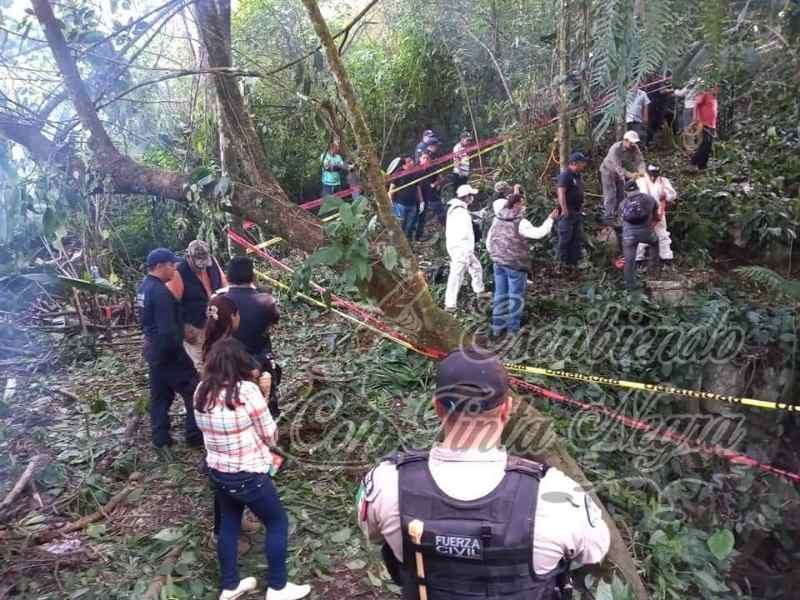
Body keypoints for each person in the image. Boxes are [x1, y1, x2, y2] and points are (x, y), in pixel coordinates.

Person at [357, 347, 610, 600]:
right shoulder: (560, 497)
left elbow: (373, 535)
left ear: (437, 407)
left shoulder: (384, 483)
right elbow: (594, 551)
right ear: (506, 410)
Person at [194, 338, 311, 600]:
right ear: (239, 363)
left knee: (228, 526)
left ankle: (230, 585)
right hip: (248, 474)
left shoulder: (201, 390)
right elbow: (270, 435)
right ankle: (278, 587)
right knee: (277, 522)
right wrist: (265, 397)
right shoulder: (245, 391)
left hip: (218, 471)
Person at [137, 248, 202, 457]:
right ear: (159, 266)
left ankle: (160, 437)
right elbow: (167, 330)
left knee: (160, 395)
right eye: (171, 264)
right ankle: (194, 435)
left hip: (153, 350)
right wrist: (177, 356)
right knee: (193, 389)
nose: (175, 268)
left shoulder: (144, 288)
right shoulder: (161, 293)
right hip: (168, 352)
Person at [487, 187, 556, 336]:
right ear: (516, 204)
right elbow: (539, 233)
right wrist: (550, 219)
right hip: (514, 264)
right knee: (515, 297)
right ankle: (513, 330)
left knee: (500, 294)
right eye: (522, 203)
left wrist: (495, 255)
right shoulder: (520, 222)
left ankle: (497, 328)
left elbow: (489, 240)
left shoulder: (497, 217)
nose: (524, 206)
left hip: (498, 262)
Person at [220, 257, 282, 417]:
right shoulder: (265, 300)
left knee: (233, 401)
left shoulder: (218, 301)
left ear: (228, 276)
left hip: (229, 359)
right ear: (252, 275)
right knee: (266, 398)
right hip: (260, 356)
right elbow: (274, 320)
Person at [167, 240, 227, 373]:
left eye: (205, 264)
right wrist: (183, 328)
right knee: (201, 367)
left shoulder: (213, 263)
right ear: (188, 257)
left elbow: (225, 286)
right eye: (199, 265)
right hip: (195, 327)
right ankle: (204, 392)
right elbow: (171, 305)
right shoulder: (178, 273)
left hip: (215, 323)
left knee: (220, 362)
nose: (203, 268)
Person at [444, 184, 490, 312]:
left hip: (461, 247)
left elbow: (467, 216)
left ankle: (479, 291)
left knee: (476, 267)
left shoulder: (458, 208)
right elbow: (464, 231)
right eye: (471, 196)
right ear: (467, 197)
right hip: (461, 247)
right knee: (456, 274)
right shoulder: (459, 211)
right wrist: (467, 248)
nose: (473, 198)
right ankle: (450, 304)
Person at [600, 130, 646, 224]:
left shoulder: (634, 148)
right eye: (631, 142)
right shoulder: (615, 148)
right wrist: (630, 175)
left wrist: (641, 170)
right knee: (610, 195)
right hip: (608, 172)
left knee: (621, 195)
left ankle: (620, 216)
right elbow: (618, 167)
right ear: (625, 140)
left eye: (634, 143)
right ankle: (608, 218)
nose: (632, 145)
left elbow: (640, 161)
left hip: (621, 174)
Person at [621, 180, 660, 290]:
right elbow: (656, 216)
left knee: (629, 259)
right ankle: (653, 271)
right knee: (655, 242)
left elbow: (622, 219)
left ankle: (629, 285)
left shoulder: (623, 203)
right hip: (646, 233)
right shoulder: (649, 198)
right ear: (638, 188)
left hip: (629, 236)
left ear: (626, 192)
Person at [636, 164, 677, 267]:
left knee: (663, 234)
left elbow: (673, 195)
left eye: (655, 174)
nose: (653, 177)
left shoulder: (663, 181)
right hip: (644, 212)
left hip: (659, 212)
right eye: (651, 175)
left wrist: (666, 196)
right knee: (642, 234)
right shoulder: (640, 181)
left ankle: (666, 258)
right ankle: (638, 259)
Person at [556, 152, 589, 267]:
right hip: (567, 212)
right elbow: (561, 192)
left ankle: (573, 264)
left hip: (576, 211)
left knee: (575, 239)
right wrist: (564, 209)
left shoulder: (577, 175)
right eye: (582, 162)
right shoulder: (566, 175)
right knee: (565, 239)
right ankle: (562, 264)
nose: (584, 165)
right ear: (574, 163)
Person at [389, 156, 424, 239]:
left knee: (410, 226)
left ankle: (408, 243)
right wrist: (391, 203)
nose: (412, 162)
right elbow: (391, 190)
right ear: (403, 165)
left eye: (411, 160)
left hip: (412, 204)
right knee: (400, 226)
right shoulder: (398, 173)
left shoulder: (415, 172)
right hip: (400, 205)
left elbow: (418, 187)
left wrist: (422, 201)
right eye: (409, 161)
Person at [690, 85, 719, 171]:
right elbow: (696, 104)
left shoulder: (714, 98)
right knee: (705, 144)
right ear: (712, 88)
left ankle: (702, 165)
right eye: (716, 88)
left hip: (712, 125)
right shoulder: (705, 94)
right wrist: (695, 118)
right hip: (704, 123)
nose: (717, 90)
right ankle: (695, 162)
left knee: (708, 146)